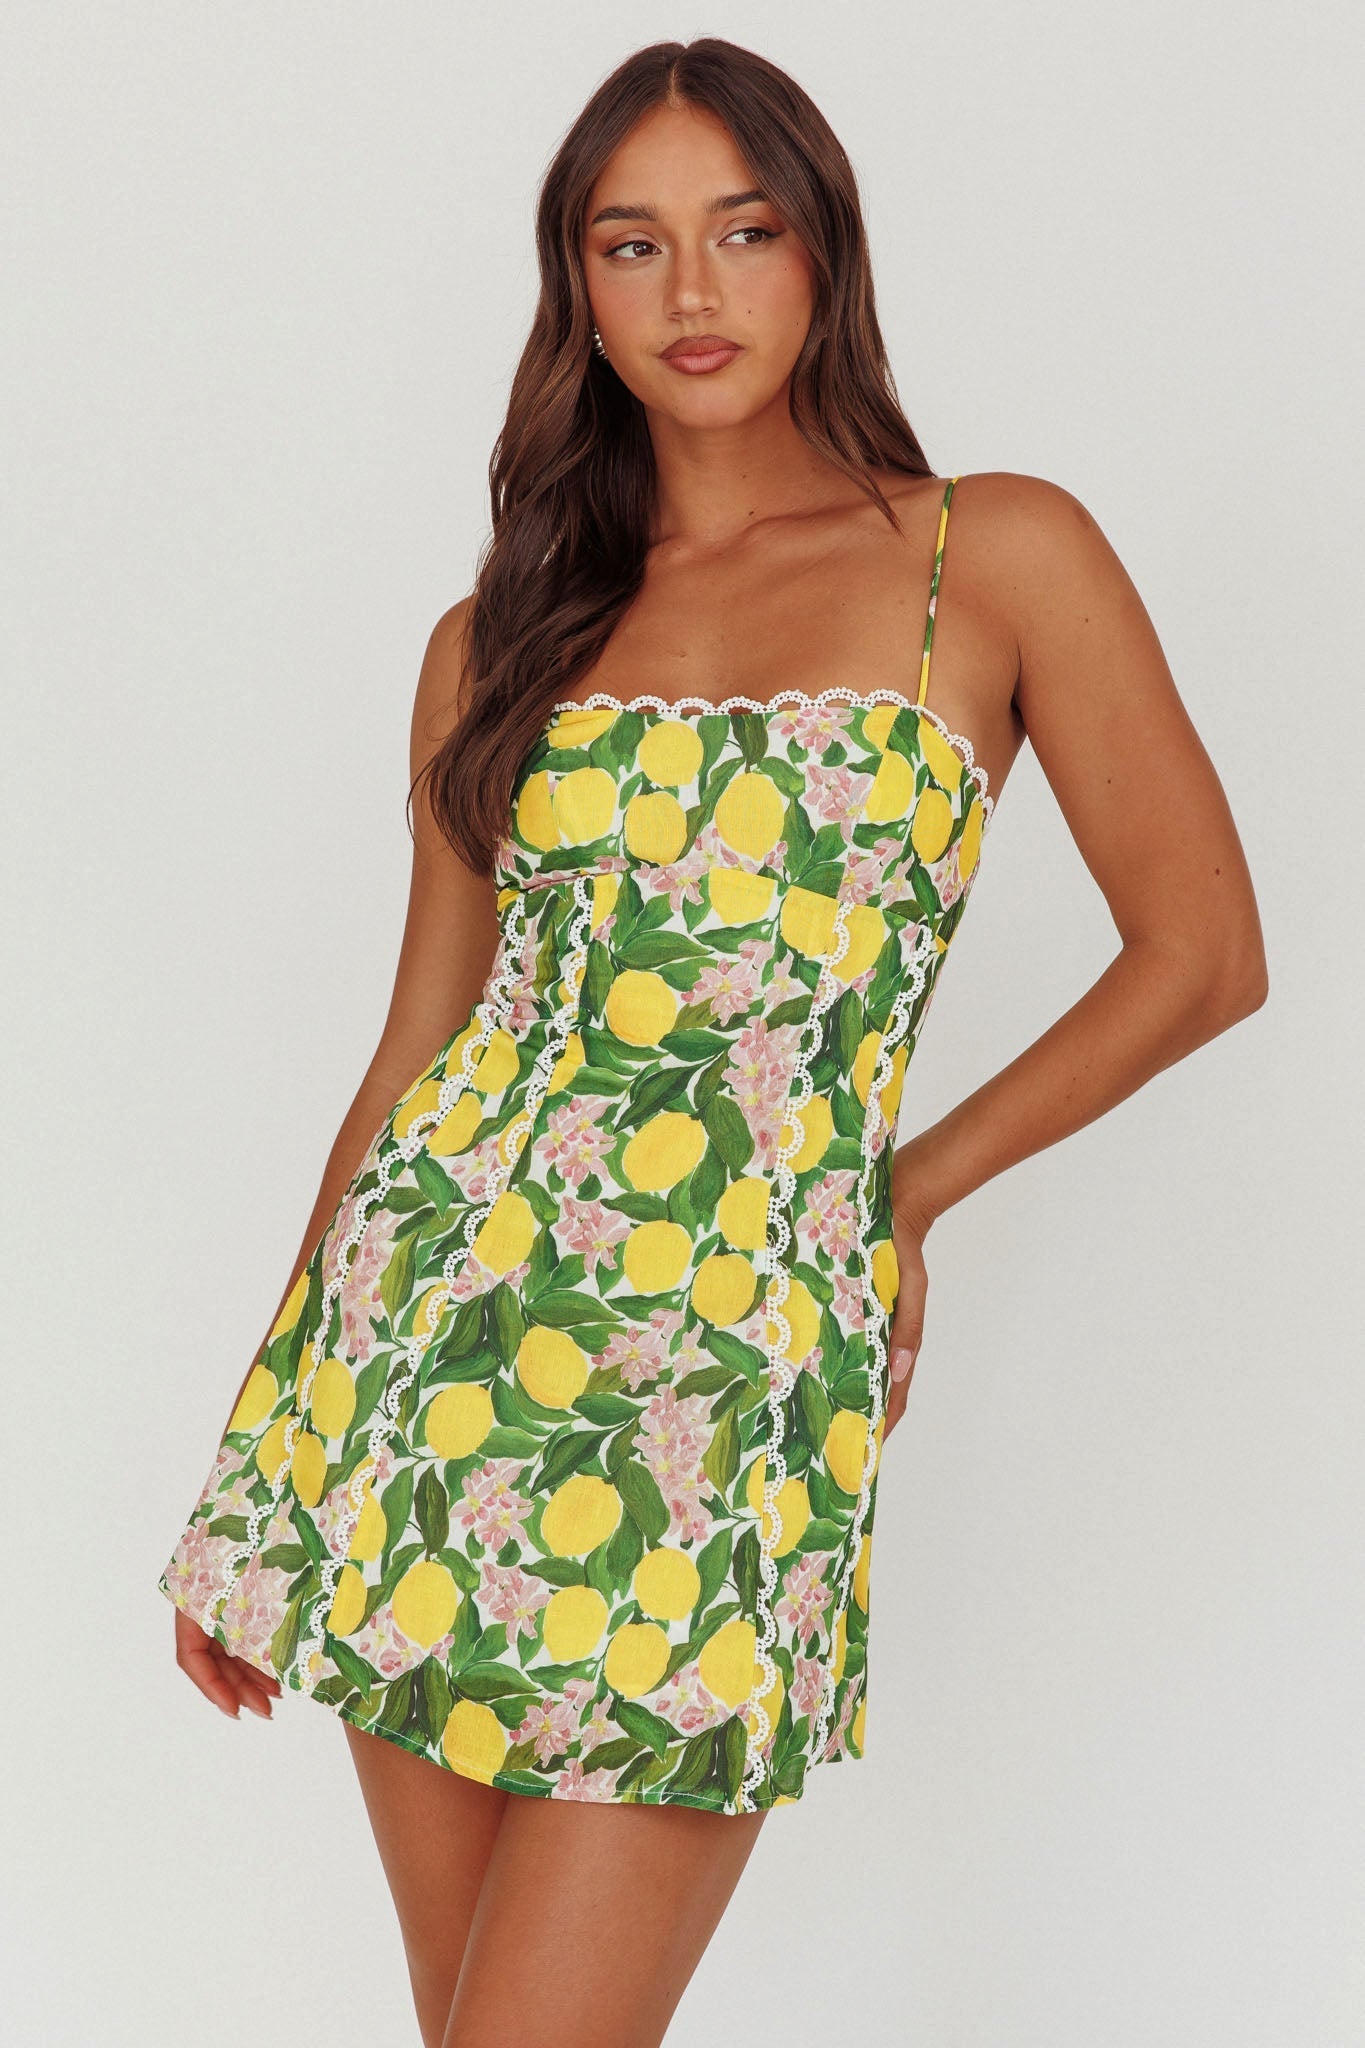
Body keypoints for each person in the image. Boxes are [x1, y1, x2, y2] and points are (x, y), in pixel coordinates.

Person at [157, 35, 1267, 2048]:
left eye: (741, 232)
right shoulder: (498, 638)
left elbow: (1199, 954)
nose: (690, 290)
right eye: (631, 242)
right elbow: (418, 1050)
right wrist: (255, 1473)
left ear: (821, 252)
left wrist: (898, 1193)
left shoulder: (990, 557)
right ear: (573, 287)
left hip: (723, 1401)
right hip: (419, 1380)